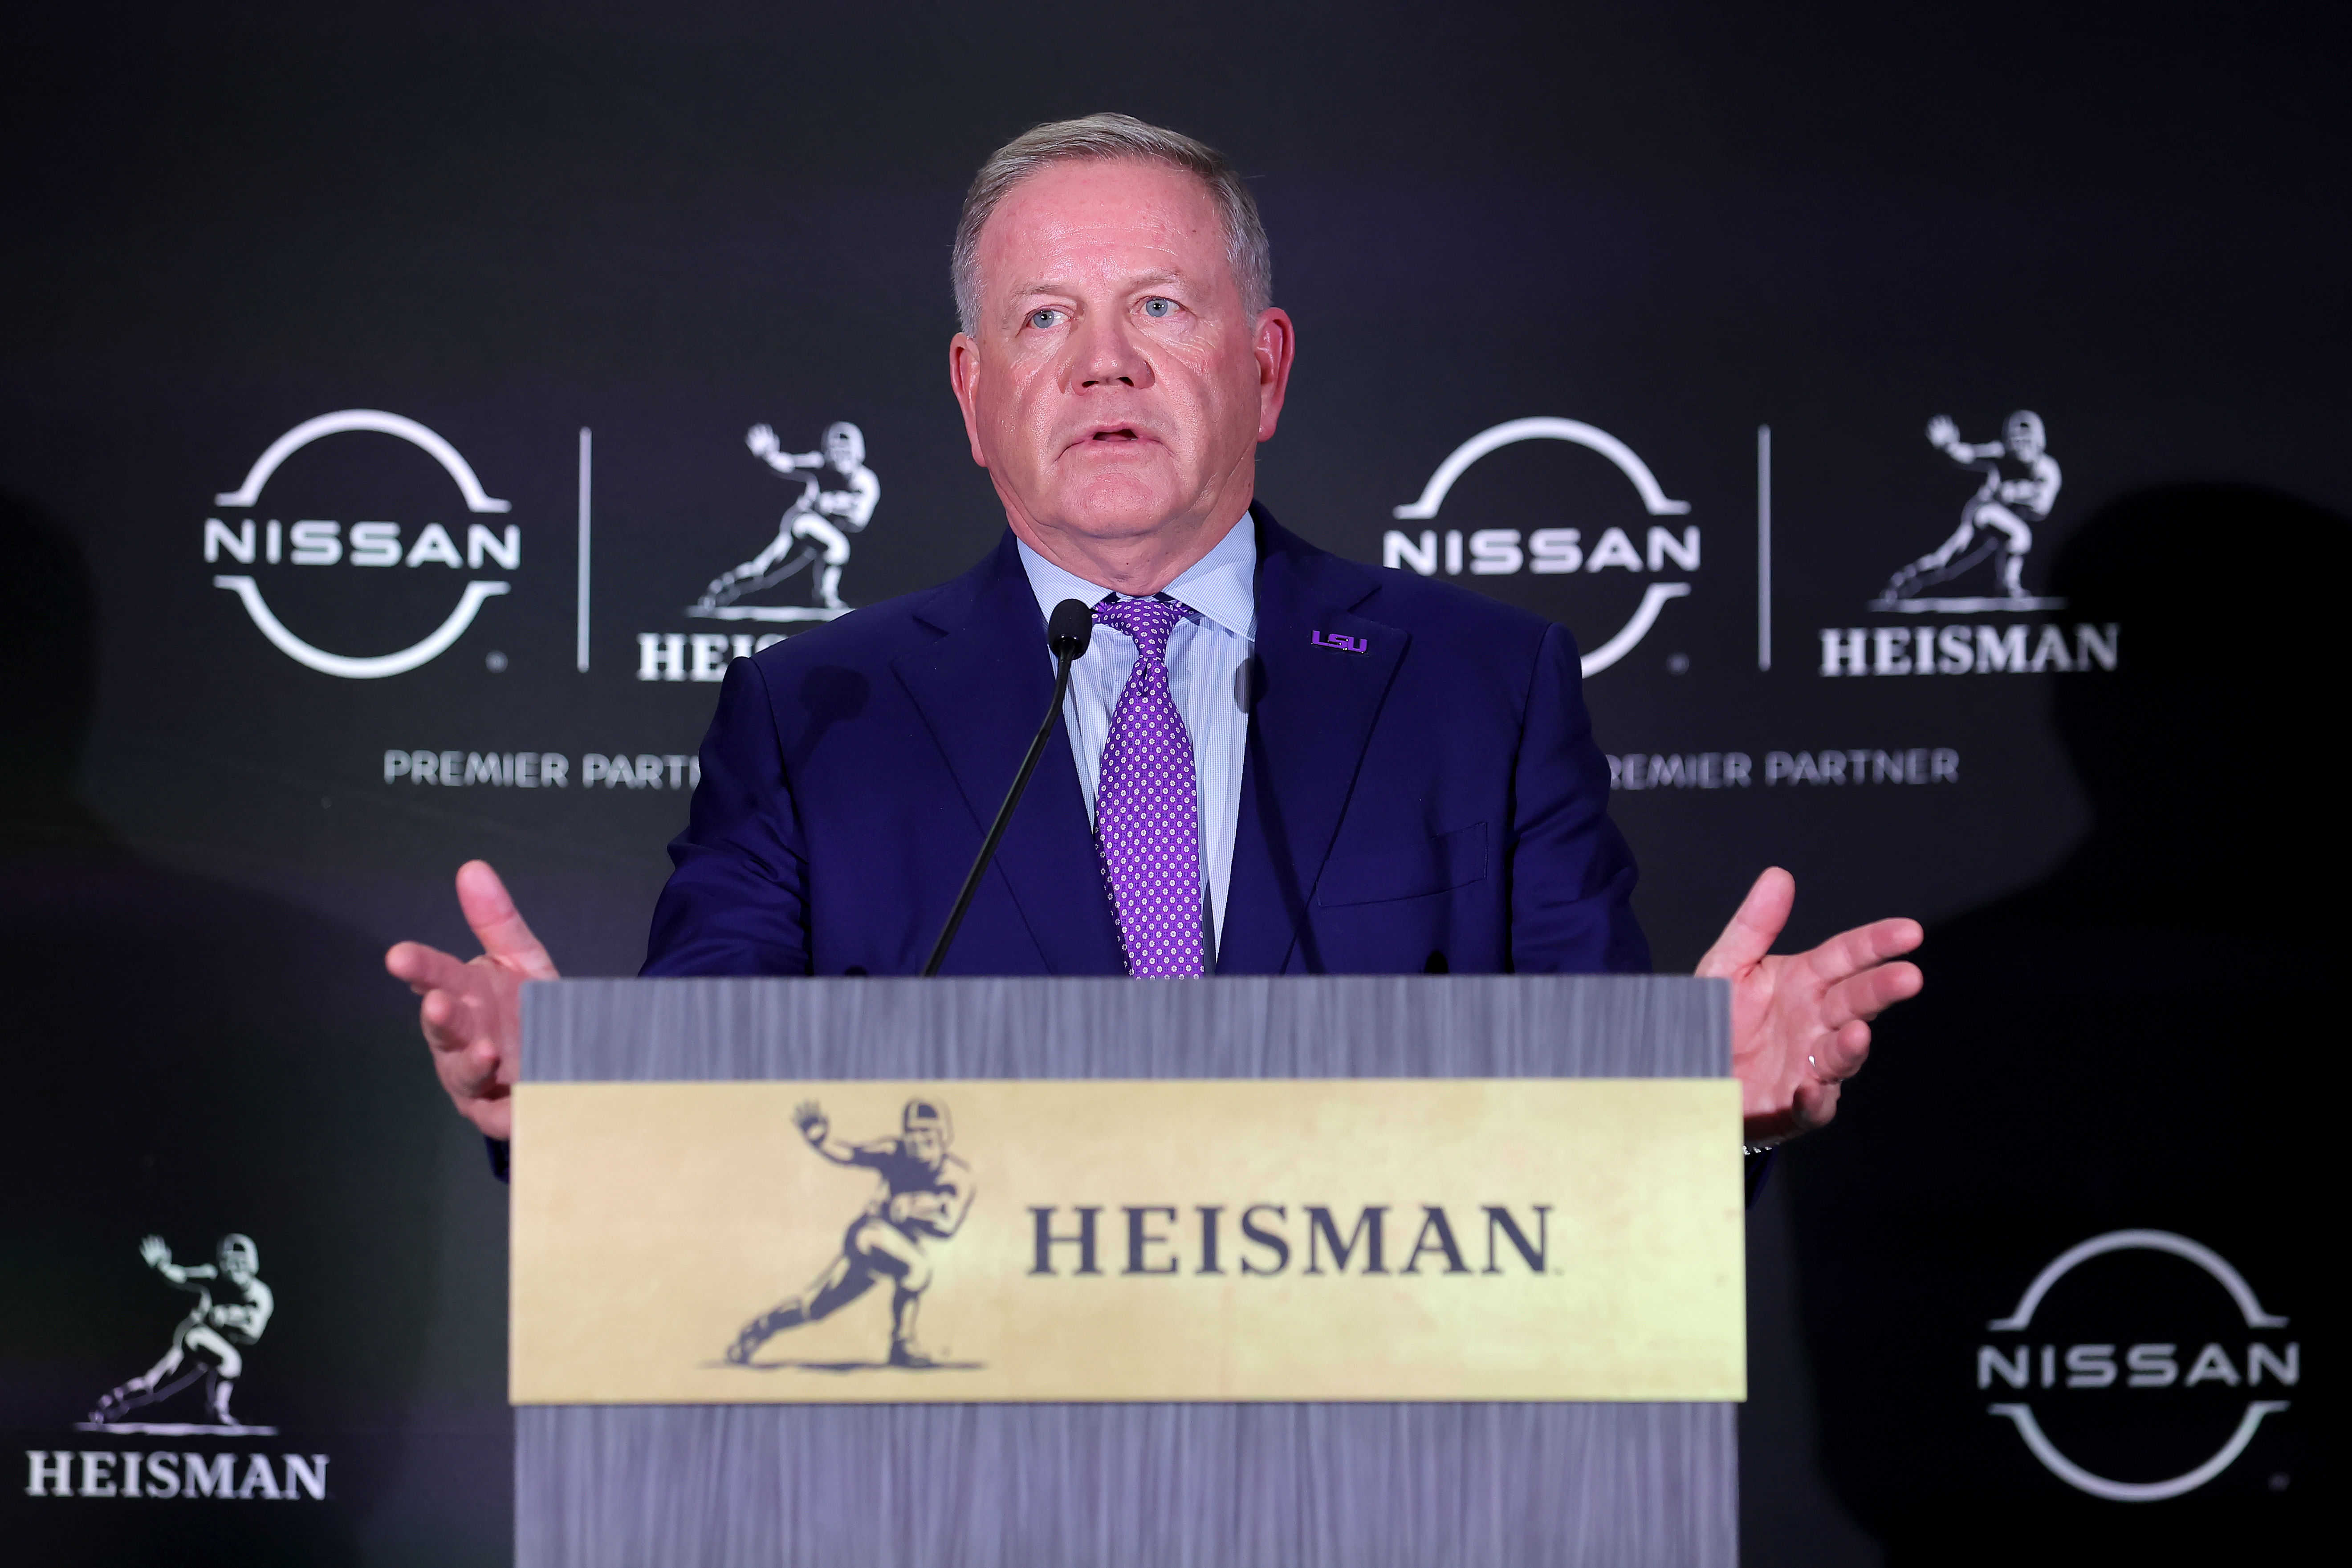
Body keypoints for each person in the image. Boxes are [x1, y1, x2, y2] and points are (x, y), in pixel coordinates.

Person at [387, 114, 1921, 1159]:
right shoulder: (815, 716)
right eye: (1044, 318)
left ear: (1263, 368)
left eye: (1163, 310)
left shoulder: (1481, 690)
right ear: (970, 392)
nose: (1102, 365)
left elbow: (1601, 1153)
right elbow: (700, 1133)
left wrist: (1701, 1116)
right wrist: (586, 1117)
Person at [725, 1097, 974, 1369]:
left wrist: (916, 1206)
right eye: (912, 1131)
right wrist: (821, 1142)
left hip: (896, 1248)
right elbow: (853, 1155)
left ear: (944, 1135)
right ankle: (902, 1343)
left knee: (813, 1307)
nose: (918, 1139)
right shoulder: (895, 1152)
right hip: (870, 1236)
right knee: (918, 1269)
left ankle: (761, 1328)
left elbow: (948, 1226)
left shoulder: (956, 1176)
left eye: (927, 1131)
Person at [89, 1233, 274, 1429]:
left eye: (240, 1262)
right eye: (229, 1261)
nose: (235, 1268)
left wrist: (232, 1317)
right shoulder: (214, 1276)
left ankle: (110, 1403)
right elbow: (183, 1275)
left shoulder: (261, 1295)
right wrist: (163, 1267)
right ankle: (218, 1411)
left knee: (154, 1387)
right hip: (194, 1336)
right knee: (231, 1362)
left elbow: (254, 1333)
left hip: (209, 1350)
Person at [1878, 410, 2061, 604]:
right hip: (1984, 512)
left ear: (2039, 439)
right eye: (2015, 438)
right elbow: (1970, 454)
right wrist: (1950, 446)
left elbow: (2042, 508)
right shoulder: (2002, 454)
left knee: (1946, 564)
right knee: (2019, 536)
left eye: (2025, 438)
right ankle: (2008, 586)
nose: (2020, 444)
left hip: (2002, 522)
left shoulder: (2048, 470)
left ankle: (1904, 582)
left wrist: (2019, 493)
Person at [700, 420, 880, 612]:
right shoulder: (821, 465)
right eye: (835, 450)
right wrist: (768, 455)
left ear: (859, 452)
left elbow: (859, 521)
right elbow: (789, 463)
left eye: (846, 450)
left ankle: (723, 588)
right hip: (802, 522)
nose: (840, 456)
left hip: (819, 534)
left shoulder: (867, 483)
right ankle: (825, 597)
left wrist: (836, 505)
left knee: (766, 573)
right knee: (837, 547)